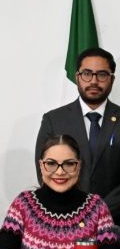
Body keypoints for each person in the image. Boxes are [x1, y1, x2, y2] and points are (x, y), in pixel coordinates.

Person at [0, 134, 119, 249]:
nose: (60, 172)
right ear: (41, 165)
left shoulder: (97, 206)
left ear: (79, 166)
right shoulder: (24, 203)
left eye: (69, 164)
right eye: (51, 163)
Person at [35, 48, 120, 224]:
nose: (94, 81)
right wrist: (74, 210)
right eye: (87, 73)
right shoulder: (54, 120)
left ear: (112, 79)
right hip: (65, 221)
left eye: (102, 74)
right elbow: (46, 170)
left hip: (115, 222)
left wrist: (99, 211)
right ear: (77, 77)